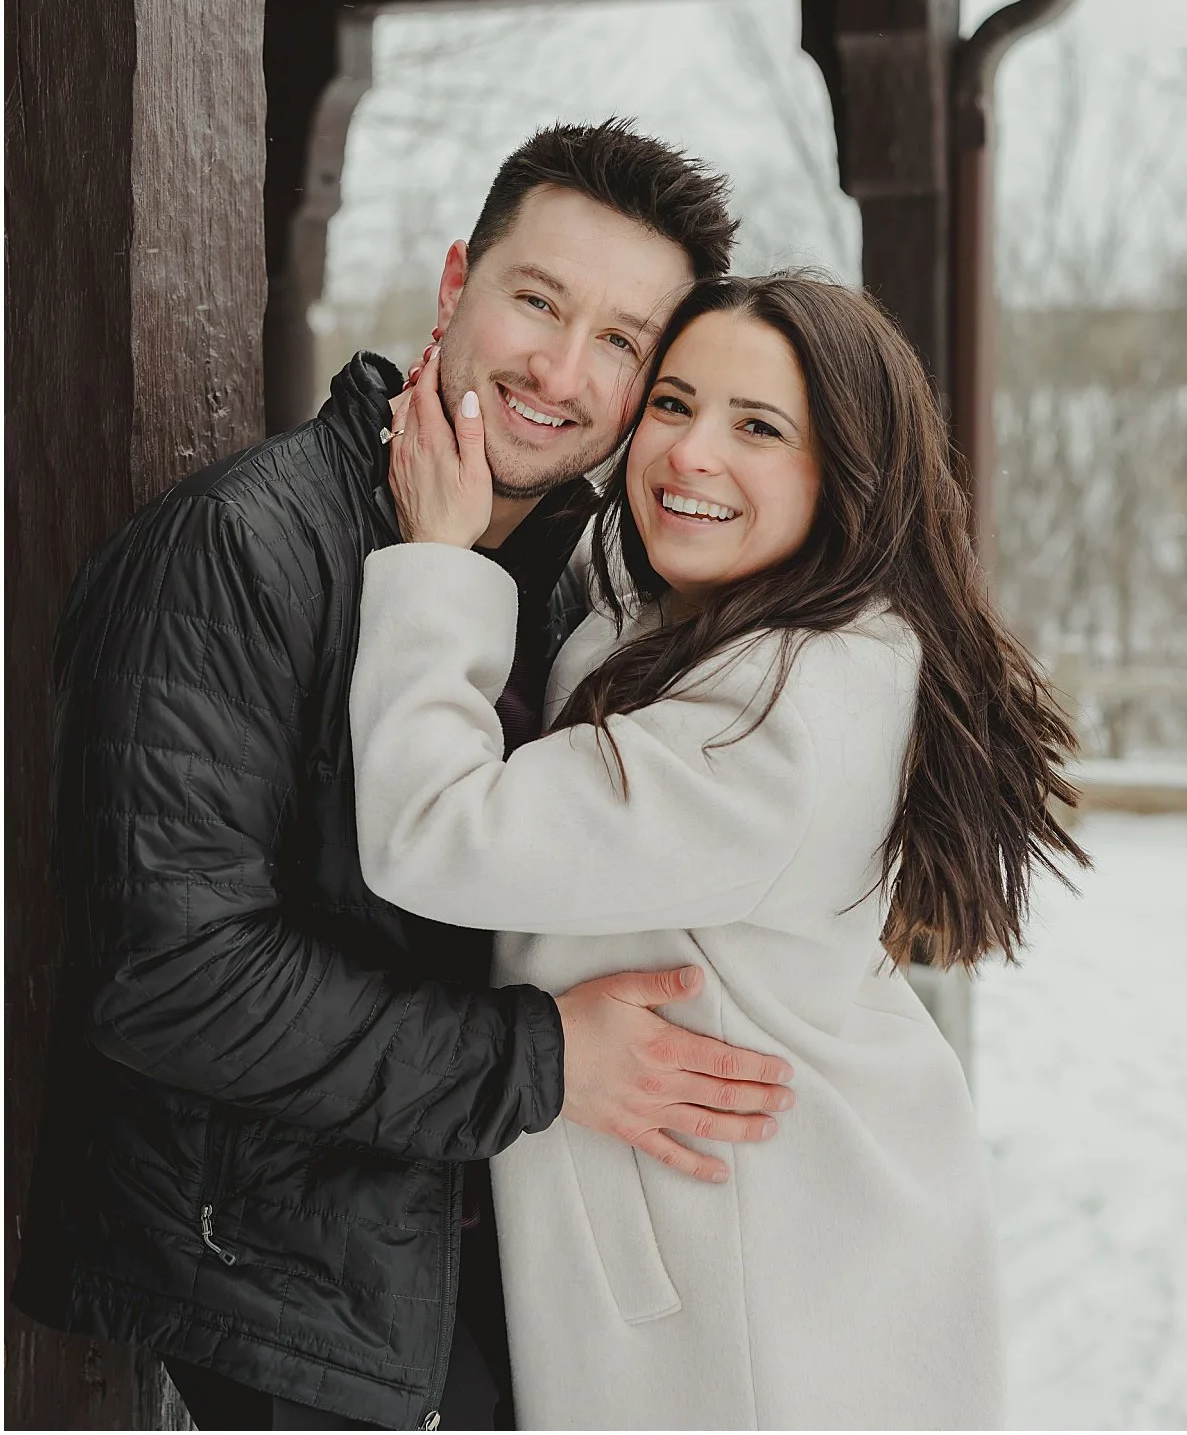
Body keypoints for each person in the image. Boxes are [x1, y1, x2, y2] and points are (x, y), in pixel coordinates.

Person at [12, 124, 799, 1431]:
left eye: (621, 341)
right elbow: (169, 976)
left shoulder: (587, 590)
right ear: (455, 285)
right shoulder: (237, 554)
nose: (561, 366)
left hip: (495, 1252)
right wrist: (545, 1058)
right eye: (538, 300)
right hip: (284, 1284)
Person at [353, 271, 1075, 1431]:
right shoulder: (706, 628)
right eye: (675, 404)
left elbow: (432, 832)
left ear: (845, 473)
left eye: (756, 427)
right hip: (752, 1248)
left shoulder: (783, 713)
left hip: (753, 1311)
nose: (690, 454)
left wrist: (443, 560)